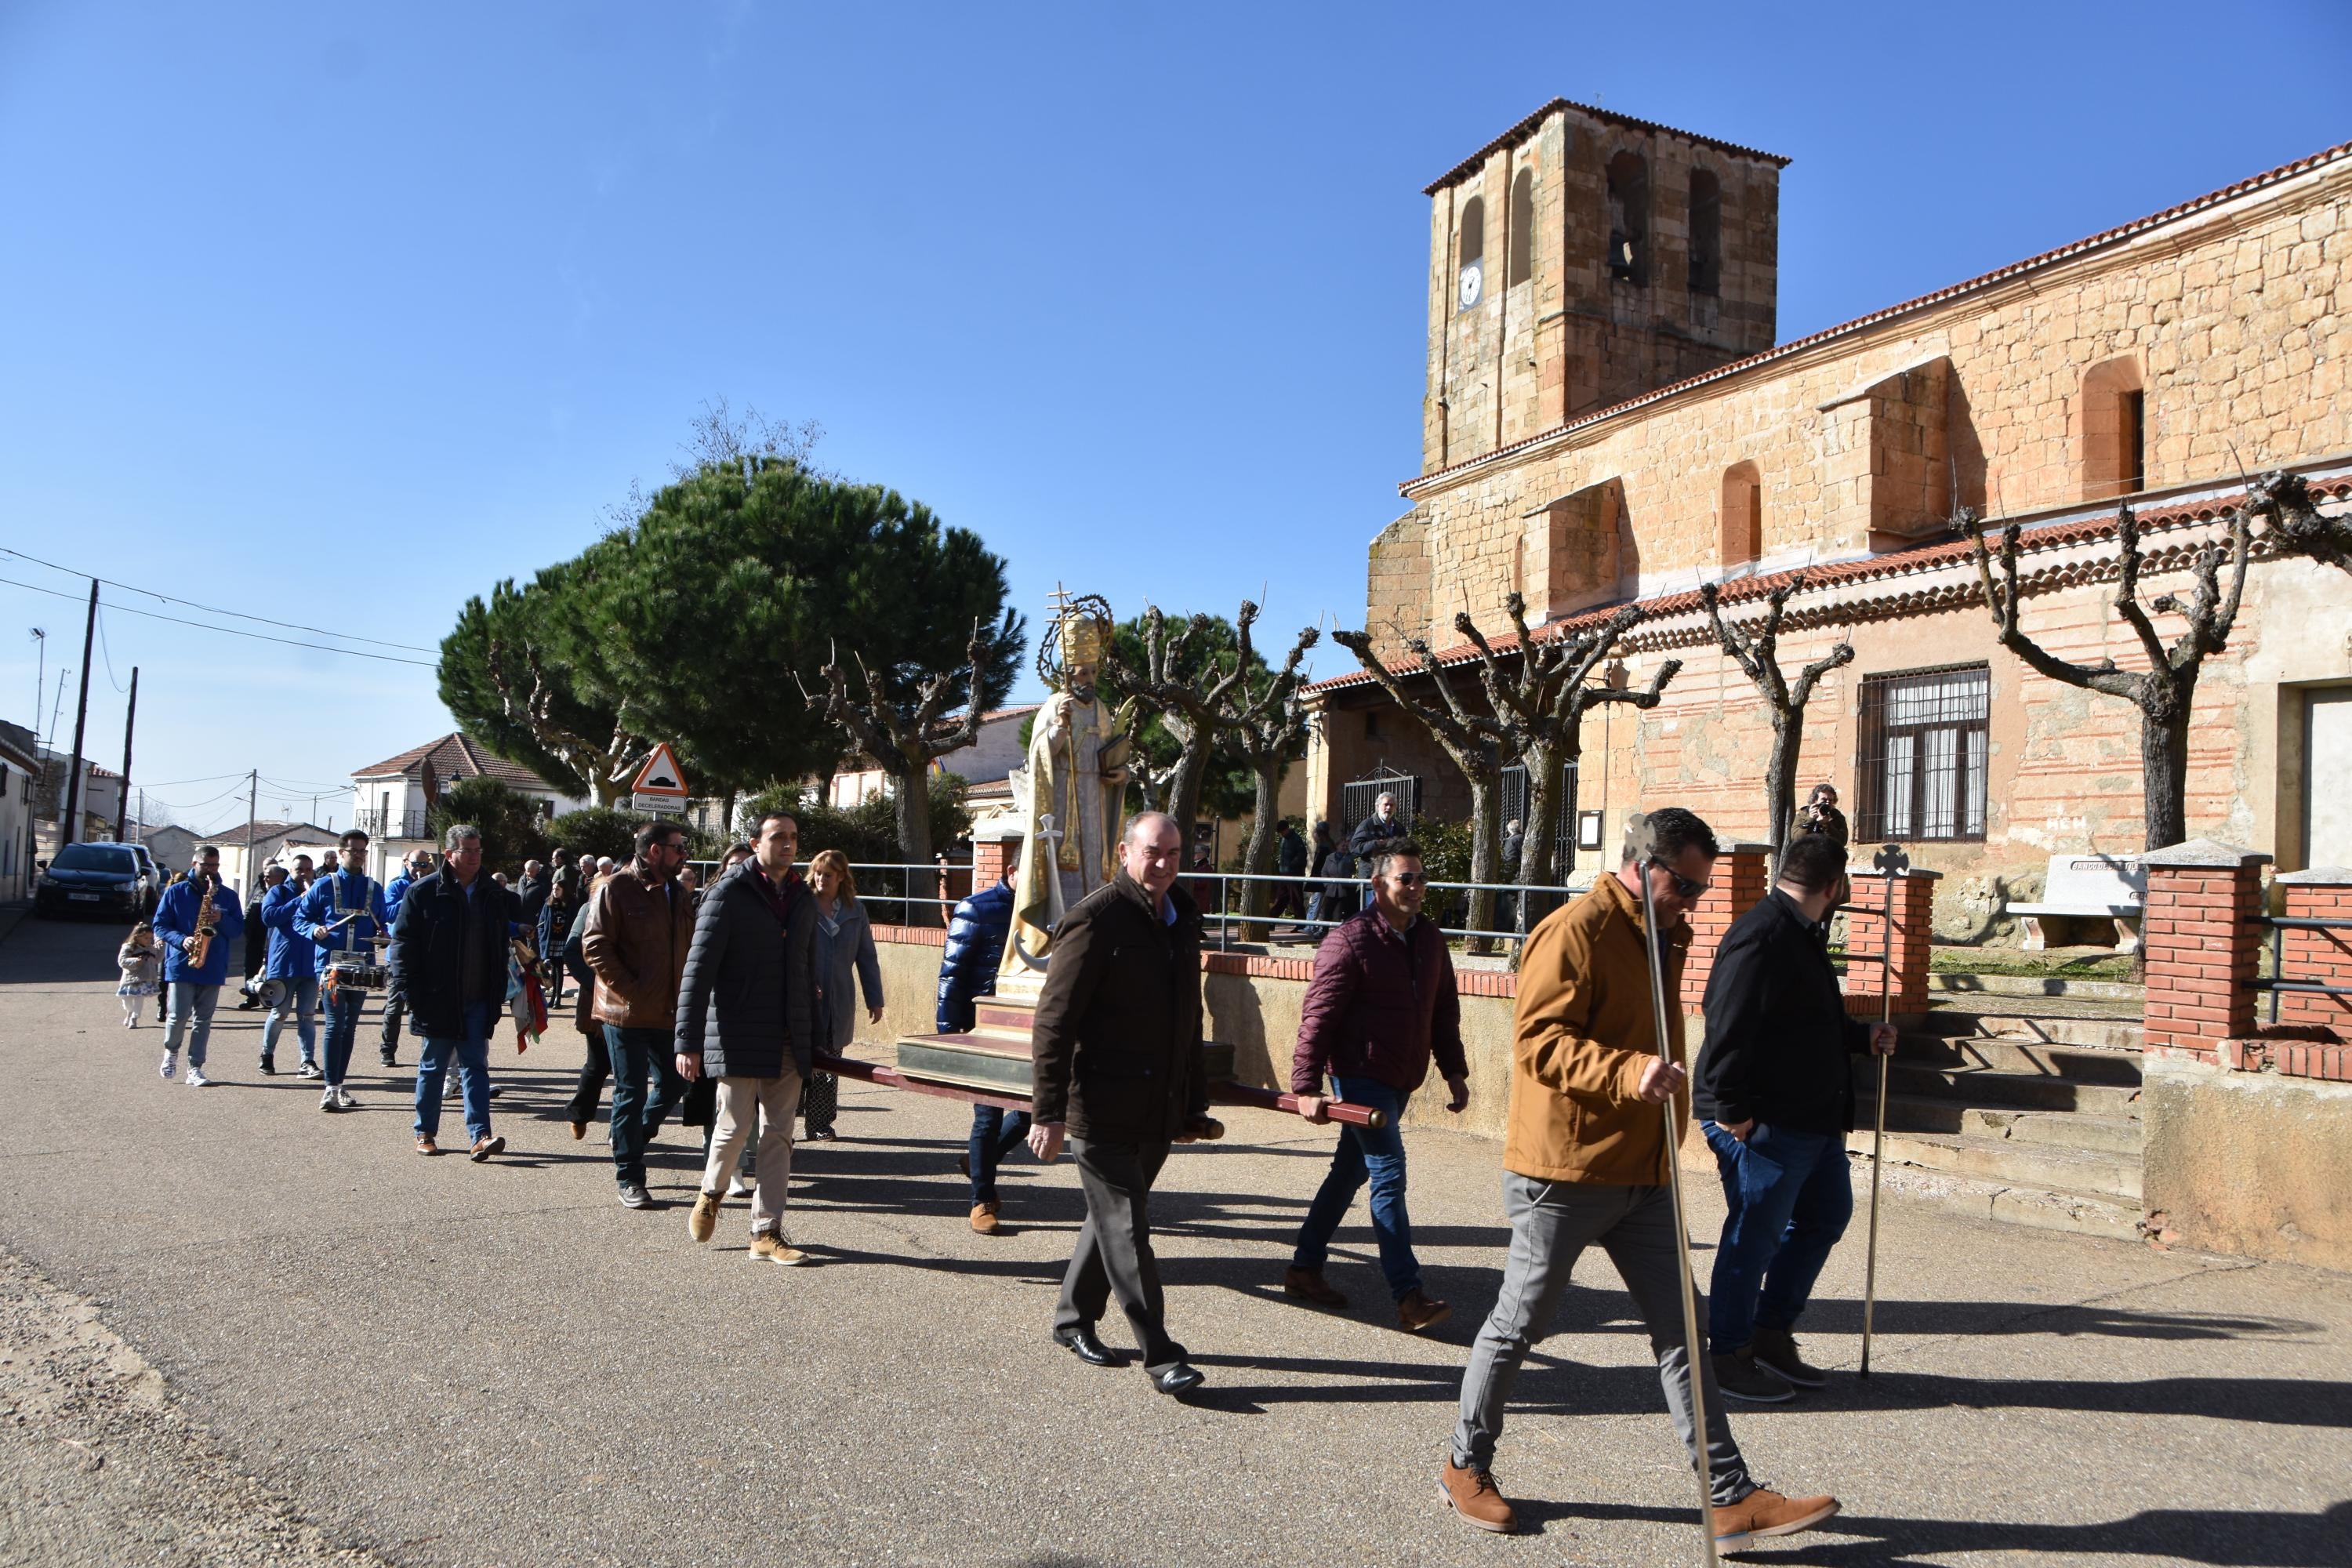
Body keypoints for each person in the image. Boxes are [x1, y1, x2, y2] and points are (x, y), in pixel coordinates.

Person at [1439, 808, 1841, 1549]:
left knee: (1685, 1333)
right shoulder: (1574, 932)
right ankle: (1466, 1462)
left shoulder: (1663, 934)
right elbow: (1538, 1044)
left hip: (1644, 1169)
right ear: (1644, 864)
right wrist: (1630, 1072)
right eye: (1685, 886)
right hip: (1565, 1171)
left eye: (1700, 891)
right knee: (1519, 1324)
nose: (1693, 902)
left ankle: (1728, 1495)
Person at [1696, 833, 1896, 1399]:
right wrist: (1734, 1111)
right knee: (1752, 1236)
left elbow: (1800, 1022)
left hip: (1810, 1117)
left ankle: (1770, 1333)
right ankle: (1728, 1354)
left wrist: (1861, 1037)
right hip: (1763, 1118)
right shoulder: (1761, 936)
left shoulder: (1801, 932)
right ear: (1835, 887)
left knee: (1826, 1214)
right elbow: (1726, 1022)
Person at [1029, 812, 1213, 1398]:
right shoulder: (1095, 918)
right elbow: (1054, 1022)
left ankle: (1071, 1319)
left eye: (1174, 854)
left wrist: (1191, 1104)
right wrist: (1048, 1111)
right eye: (1152, 852)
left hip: (1157, 1105)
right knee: (1129, 1229)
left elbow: (1190, 1019)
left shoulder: (1183, 917)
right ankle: (1161, 1355)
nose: (1163, 864)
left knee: (1111, 1220)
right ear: (1124, 852)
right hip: (1100, 1105)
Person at [1283, 836, 1468, 1330]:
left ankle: (1304, 1268)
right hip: (1360, 1076)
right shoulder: (1351, 939)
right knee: (1389, 1173)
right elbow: (1317, 1016)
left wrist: (1455, 1071)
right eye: (1404, 878)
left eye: (1421, 878)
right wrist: (1305, 1086)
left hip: (1401, 1077)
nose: (1415, 887)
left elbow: (1443, 1011)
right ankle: (1408, 1296)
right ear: (1377, 884)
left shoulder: (1429, 939)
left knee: (1349, 1172)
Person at [676, 812, 820, 1264]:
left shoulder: (803, 898)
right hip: (737, 1033)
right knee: (734, 1127)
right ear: (756, 842)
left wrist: (816, 1032)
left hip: (786, 1036)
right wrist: (688, 1041)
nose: (788, 845)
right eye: (779, 837)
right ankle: (711, 1194)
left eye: (794, 838)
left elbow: (808, 970)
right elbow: (697, 973)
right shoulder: (727, 894)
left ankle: (767, 1230)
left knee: (780, 1135)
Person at [387, 823, 521, 1161]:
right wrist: (411, 993)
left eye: (479, 851)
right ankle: (425, 1132)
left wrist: (498, 993)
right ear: (449, 854)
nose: (475, 857)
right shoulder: (423, 892)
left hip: (478, 998)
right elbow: (402, 945)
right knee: (433, 1067)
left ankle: (480, 1136)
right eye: (468, 851)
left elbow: (498, 945)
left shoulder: (492, 894)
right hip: (436, 997)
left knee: (476, 1066)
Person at [582, 820, 696, 1210]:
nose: (684, 854)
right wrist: (632, 989)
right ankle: (630, 1175)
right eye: (678, 847)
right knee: (631, 1092)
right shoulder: (616, 888)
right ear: (654, 851)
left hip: (667, 1012)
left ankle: (630, 1134)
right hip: (625, 1014)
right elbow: (595, 946)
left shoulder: (678, 893)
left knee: (675, 1084)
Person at [940, 869, 1020, 1232]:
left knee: (1038, 1110)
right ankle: (982, 1200)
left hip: (1034, 1026)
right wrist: (949, 1033)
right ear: (1013, 872)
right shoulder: (977, 909)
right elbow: (952, 973)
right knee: (988, 1115)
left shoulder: (1057, 912)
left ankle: (978, 1162)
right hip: (984, 1024)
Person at [299, 829, 391, 1114]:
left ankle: (338, 1084)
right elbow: (300, 917)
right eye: (354, 850)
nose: (360, 855)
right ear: (341, 853)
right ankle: (330, 1088)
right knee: (334, 1025)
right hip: (331, 966)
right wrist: (314, 930)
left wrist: (384, 934)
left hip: (363, 964)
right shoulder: (323, 886)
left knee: (350, 1028)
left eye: (364, 851)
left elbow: (383, 922)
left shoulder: (374, 888)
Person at [802, 848, 883, 1143]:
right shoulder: (802, 904)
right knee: (798, 1061)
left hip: (838, 997)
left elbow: (867, 956)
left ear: (841, 878)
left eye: (829, 875)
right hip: (803, 996)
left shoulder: (854, 910)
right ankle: (787, 1117)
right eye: (819, 873)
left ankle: (820, 1124)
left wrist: (875, 998)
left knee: (830, 1063)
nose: (822, 879)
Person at [153, 847, 245, 1087]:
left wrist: (222, 919)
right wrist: (181, 939)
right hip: (182, 962)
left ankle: (195, 1068)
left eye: (214, 866)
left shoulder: (226, 895)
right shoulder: (176, 892)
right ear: (194, 863)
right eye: (206, 865)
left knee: (204, 1019)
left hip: (213, 963)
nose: (211, 871)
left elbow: (237, 930)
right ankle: (171, 1053)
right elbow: (160, 925)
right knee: (178, 1015)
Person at [559, 866, 611, 1140]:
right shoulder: (586, 912)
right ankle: (579, 1114)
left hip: (634, 1001)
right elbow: (571, 952)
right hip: (597, 1002)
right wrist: (596, 985)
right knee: (599, 1064)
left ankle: (626, 1130)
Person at [257, 865, 319, 1077]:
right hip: (284, 964)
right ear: (290, 872)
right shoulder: (279, 892)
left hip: (310, 966)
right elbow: (269, 917)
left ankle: (307, 1061)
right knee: (279, 1014)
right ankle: (267, 1055)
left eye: (308, 870)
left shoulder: (318, 893)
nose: (304, 873)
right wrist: (299, 900)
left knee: (307, 1016)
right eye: (299, 869)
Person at [378, 850, 434, 1065]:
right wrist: (412, 897)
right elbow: (387, 913)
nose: (420, 868)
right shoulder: (395, 886)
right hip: (400, 956)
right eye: (416, 864)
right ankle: (387, 1050)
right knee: (395, 1007)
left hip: (425, 954)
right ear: (406, 863)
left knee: (425, 1007)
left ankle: (426, 1056)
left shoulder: (432, 884)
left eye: (424, 864)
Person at [537, 854, 576, 1010]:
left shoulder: (571, 904)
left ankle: (558, 998)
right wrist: (542, 938)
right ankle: (553, 996)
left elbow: (574, 923)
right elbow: (542, 923)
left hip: (564, 940)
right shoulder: (548, 904)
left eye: (558, 889)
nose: (555, 891)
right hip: (551, 940)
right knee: (553, 969)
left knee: (560, 969)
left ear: (564, 890)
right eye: (553, 889)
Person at [116, 921, 161, 1027]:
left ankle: (134, 1018)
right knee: (127, 999)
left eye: (151, 938)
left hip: (145, 979)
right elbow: (122, 961)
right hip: (130, 979)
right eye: (146, 938)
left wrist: (161, 947)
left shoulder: (151, 948)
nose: (149, 941)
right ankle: (129, 1012)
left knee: (139, 998)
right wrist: (136, 961)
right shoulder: (128, 947)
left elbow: (157, 959)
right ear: (137, 937)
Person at [236, 873, 269, 1009]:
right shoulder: (258, 888)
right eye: (265, 874)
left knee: (269, 968)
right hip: (255, 934)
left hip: (271, 936)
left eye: (269, 875)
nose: (266, 878)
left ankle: (268, 997)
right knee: (251, 966)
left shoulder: (282, 892)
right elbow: (248, 908)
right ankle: (252, 996)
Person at [1348, 791, 1407, 858]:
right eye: (1386, 804)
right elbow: (1354, 848)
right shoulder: (1367, 825)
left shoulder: (1399, 827)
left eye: (1391, 805)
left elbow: (1405, 847)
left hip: (1391, 867)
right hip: (1372, 868)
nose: (1388, 808)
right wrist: (1376, 844)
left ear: (1395, 808)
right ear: (1378, 807)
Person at [1271, 818, 1308, 924]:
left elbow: (1302, 855)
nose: (1281, 834)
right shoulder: (1284, 839)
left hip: (1294, 874)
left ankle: (1301, 924)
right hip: (1284, 873)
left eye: (1282, 832)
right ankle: (1271, 920)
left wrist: (1291, 865)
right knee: (1281, 898)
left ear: (1287, 829)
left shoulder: (1296, 839)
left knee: (1296, 899)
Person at [1795, 784, 1849, 851]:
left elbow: (1842, 841)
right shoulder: (1803, 814)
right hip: (1808, 855)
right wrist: (1811, 819)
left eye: (1830, 800)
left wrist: (1826, 825)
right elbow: (1796, 839)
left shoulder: (1837, 816)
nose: (1827, 803)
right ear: (1815, 800)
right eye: (1824, 800)